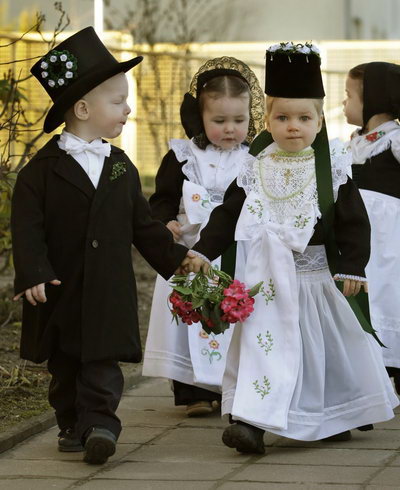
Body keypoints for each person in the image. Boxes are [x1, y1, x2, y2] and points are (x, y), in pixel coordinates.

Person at [191, 42, 398, 454]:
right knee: (263, 345)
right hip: (263, 282)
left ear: (320, 122)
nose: (293, 127)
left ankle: (331, 414)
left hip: (315, 279)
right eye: (282, 117)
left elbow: (355, 223)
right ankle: (251, 422)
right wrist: (201, 251)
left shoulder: (334, 169)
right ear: (266, 119)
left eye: (304, 118)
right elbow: (228, 215)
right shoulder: (254, 165)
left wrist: (353, 267)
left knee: (323, 347)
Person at [11, 27, 203, 465]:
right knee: (64, 371)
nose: (127, 109)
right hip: (60, 291)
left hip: (107, 290)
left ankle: (102, 424)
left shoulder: (120, 167)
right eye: (117, 102)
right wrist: (33, 272)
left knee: (101, 366)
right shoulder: (39, 174)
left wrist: (177, 257)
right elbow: (27, 229)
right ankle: (71, 424)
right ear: (82, 108)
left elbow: (143, 225)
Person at [142, 57, 265, 416]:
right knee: (187, 314)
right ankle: (192, 391)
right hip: (188, 248)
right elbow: (162, 196)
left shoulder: (253, 160)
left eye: (239, 121)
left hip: (233, 251)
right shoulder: (183, 155)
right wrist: (165, 221)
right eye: (219, 121)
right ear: (200, 117)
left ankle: (232, 385)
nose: (230, 129)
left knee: (229, 314)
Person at [343, 62, 400, 392]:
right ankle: (372, 370)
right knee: (371, 295)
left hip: (390, 238)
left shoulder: (393, 140)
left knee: (391, 295)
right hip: (362, 237)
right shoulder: (353, 142)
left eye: (349, 95)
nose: (344, 103)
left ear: (375, 100)